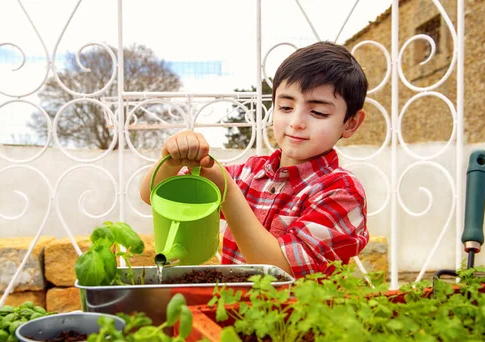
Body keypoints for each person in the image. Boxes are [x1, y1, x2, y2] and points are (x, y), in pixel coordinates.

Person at [139, 41, 369, 278]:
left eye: (318, 112)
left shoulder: (342, 193)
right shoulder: (250, 173)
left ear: (351, 123)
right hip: (230, 310)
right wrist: (171, 160)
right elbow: (152, 195)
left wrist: (227, 192)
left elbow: (282, 270)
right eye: (286, 107)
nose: (296, 121)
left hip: (294, 314)